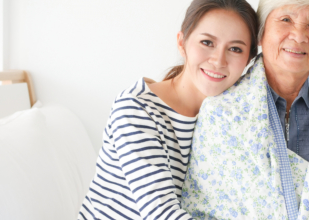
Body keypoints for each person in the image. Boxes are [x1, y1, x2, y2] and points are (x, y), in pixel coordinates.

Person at [181, 0, 309, 219]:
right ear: (261, 34)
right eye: (286, 20)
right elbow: (200, 208)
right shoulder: (221, 112)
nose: (299, 36)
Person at [78, 0, 259, 219]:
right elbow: (161, 214)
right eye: (207, 42)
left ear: (249, 61)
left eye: (235, 49)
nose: (218, 60)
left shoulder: (230, 117)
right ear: (182, 43)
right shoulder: (136, 109)